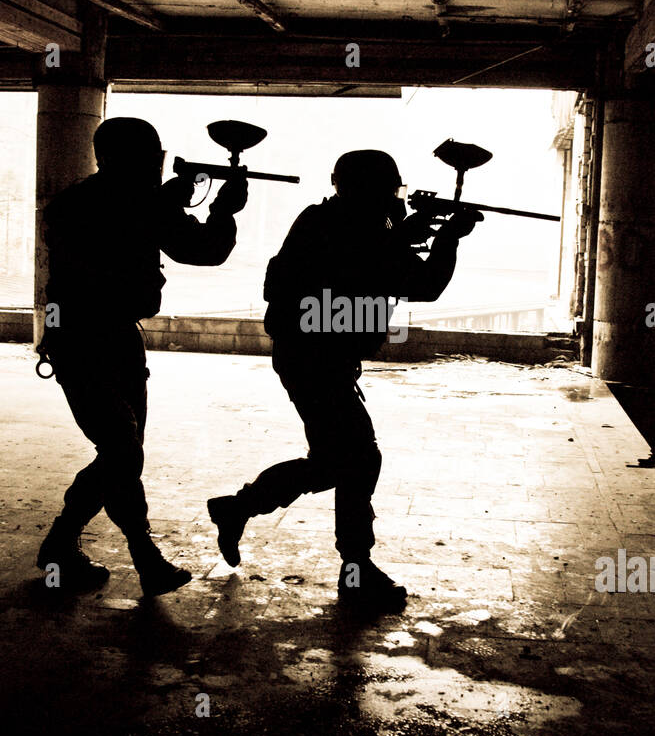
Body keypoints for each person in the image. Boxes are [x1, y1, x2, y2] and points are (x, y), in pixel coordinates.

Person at [207, 149, 480, 613]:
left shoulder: (327, 219)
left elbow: (369, 259)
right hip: (315, 361)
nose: (393, 199)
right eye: (388, 190)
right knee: (357, 460)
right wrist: (448, 237)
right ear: (370, 190)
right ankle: (351, 568)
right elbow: (423, 283)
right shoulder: (357, 228)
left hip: (313, 357)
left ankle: (241, 509)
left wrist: (409, 230)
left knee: (340, 461)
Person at [35, 117, 247, 594]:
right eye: (148, 158)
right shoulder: (133, 204)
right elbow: (205, 250)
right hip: (88, 342)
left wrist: (168, 202)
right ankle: (143, 555)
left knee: (121, 454)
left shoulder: (83, 202)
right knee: (122, 451)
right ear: (115, 159)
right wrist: (224, 210)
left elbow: (126, 231)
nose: (156, 166)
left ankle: (62, 545)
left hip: (99, 340)